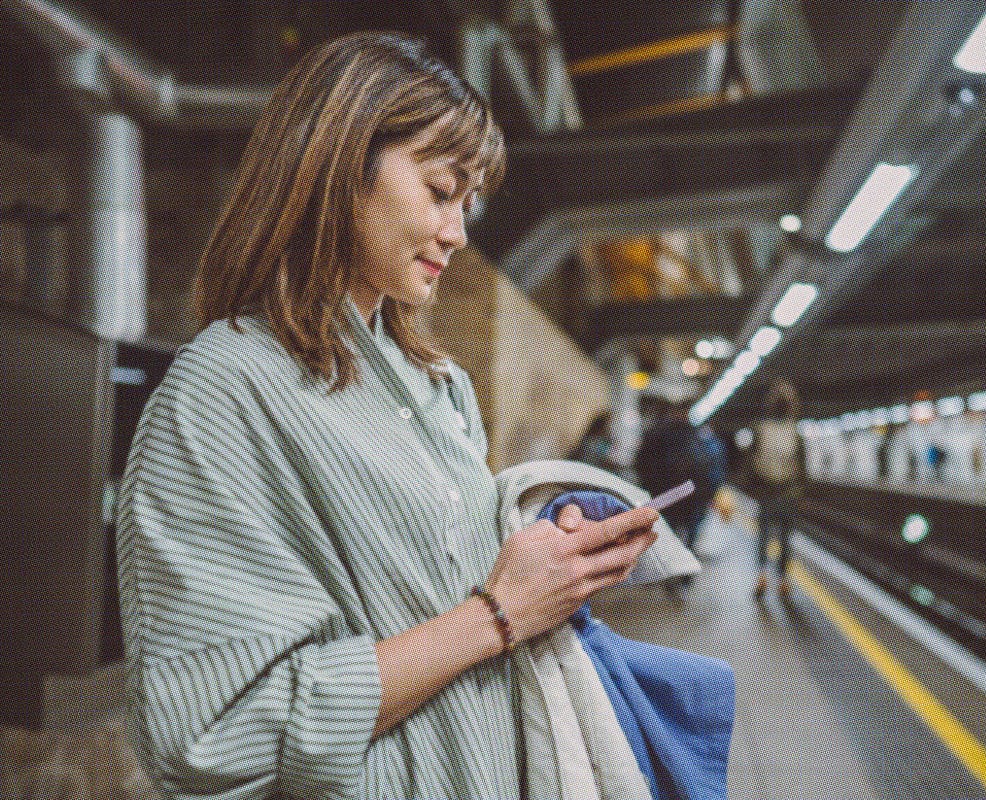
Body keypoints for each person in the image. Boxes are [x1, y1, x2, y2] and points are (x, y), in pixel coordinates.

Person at [116, 32, 660, 800]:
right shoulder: (224, 391)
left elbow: (431, 585)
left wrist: (548, 558)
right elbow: (208, 733)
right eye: (440, 192)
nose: (458, 232)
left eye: (466, 204)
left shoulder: (440, 389)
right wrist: (499, 614)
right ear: (341, 168)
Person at [634, 399, 725, 575]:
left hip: (664, 494)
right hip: (690, 494)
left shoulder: (656, 432)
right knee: (689, 533)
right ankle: (683, 575)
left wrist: (648, 487)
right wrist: (708, 494)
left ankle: (662, 570)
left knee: (665, 530)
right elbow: (709, 466)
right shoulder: (697, 436)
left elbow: (642, 462)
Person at [745, 380, 807, 600]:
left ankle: (761, 574)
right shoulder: (795, 432)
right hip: (788, 492)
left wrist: (753, 489)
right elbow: (802, 468)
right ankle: (783, 580)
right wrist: (801, 493)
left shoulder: (760, 429)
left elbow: (750, 463)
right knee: (785, 537)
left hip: (766, 492)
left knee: (763, 535)